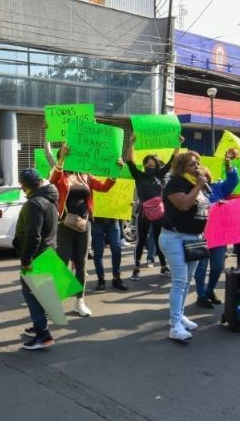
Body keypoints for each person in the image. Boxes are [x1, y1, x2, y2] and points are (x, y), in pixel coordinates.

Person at [49, 142, 119, 318]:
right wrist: (62, 158)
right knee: (62, 264)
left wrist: (115, 172)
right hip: (64, 224)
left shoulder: (85, 175)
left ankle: (79, 301)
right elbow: (52, 181)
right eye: (68, 154)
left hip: (84, 224)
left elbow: (104, 187)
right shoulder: (60, 173)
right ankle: (53, 303)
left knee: (81, 264)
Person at [160, 151, 211, 341]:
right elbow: (183, 205)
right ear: (181, 167)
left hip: (193, 237)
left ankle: (179, 316)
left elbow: (202, 206)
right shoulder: (175, 184)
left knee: (187, 280)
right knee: (180, 281)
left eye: (198, 163)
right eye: (192, 164)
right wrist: (198, 186)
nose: (197, 166)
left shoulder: (194, 184)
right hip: (175, 238)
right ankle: (174, 325)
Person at [14, 168, 60, 350]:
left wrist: (26, 260)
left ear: (24, 186)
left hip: (37, 255)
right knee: (42, 293)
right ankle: (39, 326)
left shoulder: (35, 203)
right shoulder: (50, 198)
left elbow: (34, 235)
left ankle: (43, 334)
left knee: (31, 294)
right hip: (48, 251)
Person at [124, 134, 178, 279]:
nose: (150, 167)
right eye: (148, 165)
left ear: (156, 167)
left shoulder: (159, 175)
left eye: (153, 166)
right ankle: (136, 269)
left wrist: (178, 144)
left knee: (159, 239)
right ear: (144, 165)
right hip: (143, 214)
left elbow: (172, 161)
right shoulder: (139, 175)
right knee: (141, 241)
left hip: (159, 214)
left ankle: (163, 267)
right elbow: (129, 161)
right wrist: (132, 143)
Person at [194, 148, 240, 308]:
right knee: (201, 266)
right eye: (200, 177)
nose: (203, 180)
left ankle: (210, 290)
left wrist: (228, 164)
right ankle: (200, 295)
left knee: (218, 265)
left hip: (218, 234)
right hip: (200, 233)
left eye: (206, 176)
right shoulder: (192, 191)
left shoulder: (218, 188)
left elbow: (233, 181)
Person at [91, 217, 127, 292]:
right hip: (97, 219)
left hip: (113, 219)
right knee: (98, 252)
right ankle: (101, 279)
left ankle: (116, 278)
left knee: (117, 250)